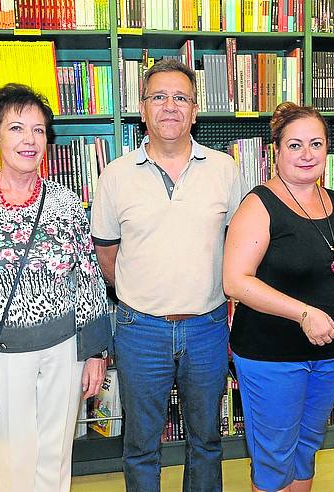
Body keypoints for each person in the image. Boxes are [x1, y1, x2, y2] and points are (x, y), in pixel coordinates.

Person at [0, 83, 111, 492]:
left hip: (65, 352)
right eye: (16, 128)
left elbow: (87, 279)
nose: (29, 140)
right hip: (0, 356)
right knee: (13, 466)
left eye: (38, 130)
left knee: (55, 460)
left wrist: (96, 351)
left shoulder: (66, 202)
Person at [90, 59, 247, 492]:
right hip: (140, 329)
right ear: (143, 109)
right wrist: (143, 292)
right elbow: (108, 256)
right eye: (159, 97)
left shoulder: (224, 171)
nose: (170, 107)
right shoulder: (116, 176)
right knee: (141, 445)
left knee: (207, 443)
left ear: (195, 110)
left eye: (181, 98)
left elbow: (238, 246)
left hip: (208, 328)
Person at [223, 102, 334, 492]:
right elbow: (235, 282)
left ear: (326, 150)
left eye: (316, 144)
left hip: (329, 355)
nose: (307, 154)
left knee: (306, 450)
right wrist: (304, 313)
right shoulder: (259, 204)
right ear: (276, 152)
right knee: (274, 457)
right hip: (272, 356)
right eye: (295, 145)